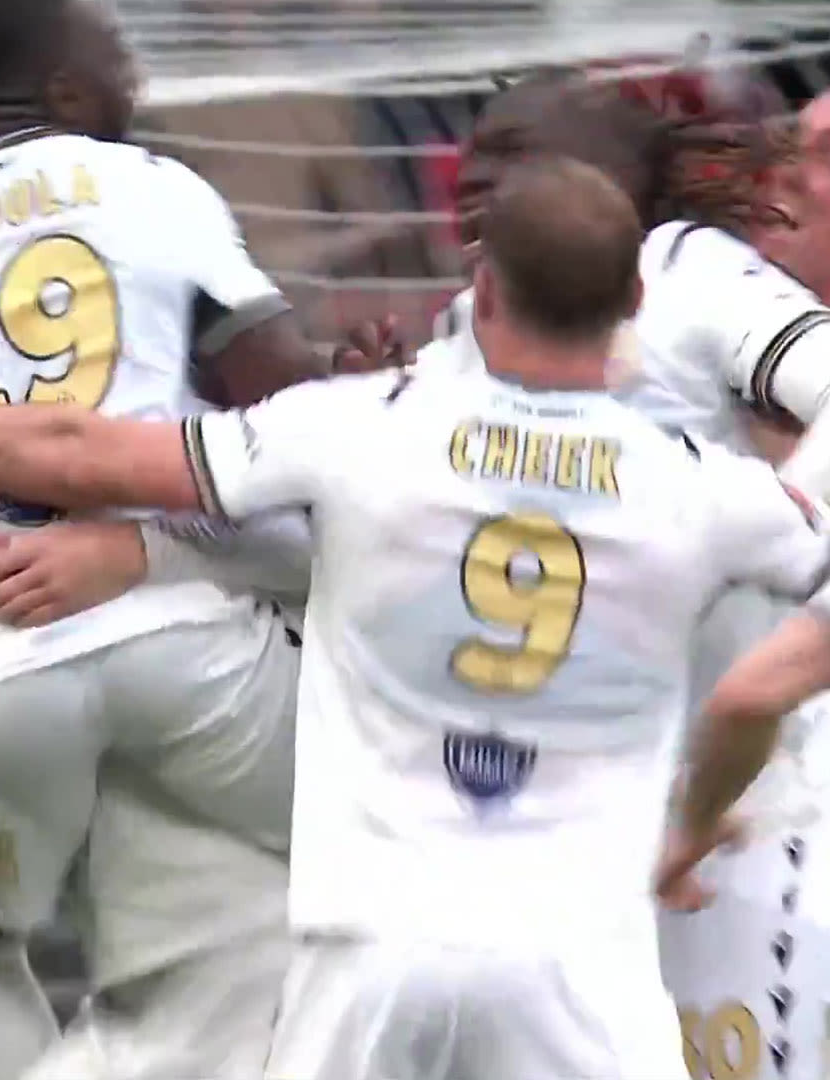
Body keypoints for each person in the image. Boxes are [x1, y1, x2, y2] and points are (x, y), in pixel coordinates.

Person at [0, 155, 830, 1079]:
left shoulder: (353, 429)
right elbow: (769, 670)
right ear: (633, 306)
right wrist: (702, 812)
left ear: (483, 293)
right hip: (574, 962)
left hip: (370, 954)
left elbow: (74, 451)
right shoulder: (703, 493)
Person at [0, 0, 401, 1073]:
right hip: (191, 656)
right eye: (121, 60)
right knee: (354, 852)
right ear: (66, 90)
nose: (141, 86)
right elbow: (280, 408)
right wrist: (343, 387)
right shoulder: (148, 186)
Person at [431, 72, 830, 1078]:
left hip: (759, 811)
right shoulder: (456, 341)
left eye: (507, 163)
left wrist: (804, 550)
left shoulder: (685, 272)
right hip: (575, 846)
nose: (475, 192)